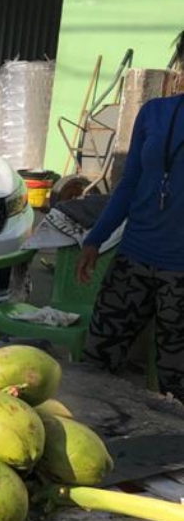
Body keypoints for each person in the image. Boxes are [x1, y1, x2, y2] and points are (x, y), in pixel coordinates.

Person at [77, 32, 184, 398]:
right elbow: (128, 183)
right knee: (97, 360)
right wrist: (95, 238)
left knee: (177, 381)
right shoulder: (155, 113)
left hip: (180, 273)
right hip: (134, 257)